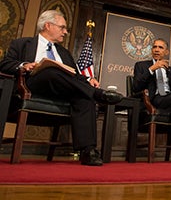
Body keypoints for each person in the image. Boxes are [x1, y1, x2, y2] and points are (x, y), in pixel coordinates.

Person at [0, 10, 124, 166]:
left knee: (84, 97)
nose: (65, 32)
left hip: (61, 90)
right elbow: (4, 64)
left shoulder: (64, 53)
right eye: (62, 27)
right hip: (33, 85)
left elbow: (73, 75)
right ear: (48, 25)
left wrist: (88, 78)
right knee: (51, 70)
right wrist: (24, 65)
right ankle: (98, 94)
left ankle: (88, 151)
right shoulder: (22, 43)